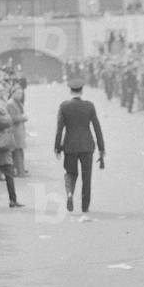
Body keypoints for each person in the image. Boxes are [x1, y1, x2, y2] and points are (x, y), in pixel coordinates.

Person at [54, 77, 106, 216]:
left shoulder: (64, 106)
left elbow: (59, 129)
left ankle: (70, 193)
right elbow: (97, 128)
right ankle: (85, 206)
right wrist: (101, 148)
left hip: (70, 146)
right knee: (86, 177)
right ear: (81, 91)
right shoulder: (89, 106)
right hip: (86, 146)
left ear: (70, 91)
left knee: (70, 173)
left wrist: (57, 147)